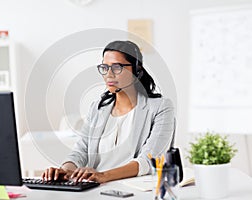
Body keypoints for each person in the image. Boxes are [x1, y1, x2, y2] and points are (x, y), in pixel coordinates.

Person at [42, 40, 175, 183]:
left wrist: (103, 176)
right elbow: (81, 150)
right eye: (105, 67)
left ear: (137, 70)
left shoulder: (160, 107)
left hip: (133, 189)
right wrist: (67, 169)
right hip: (94, 187)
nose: (109, 74)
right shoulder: (98, 108)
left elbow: (148, 161)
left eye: (117, 67)